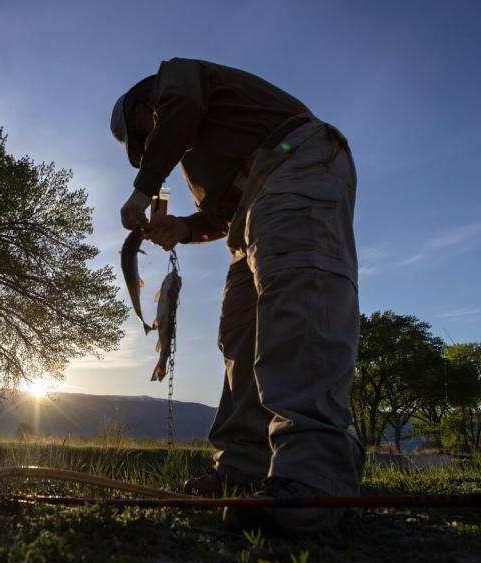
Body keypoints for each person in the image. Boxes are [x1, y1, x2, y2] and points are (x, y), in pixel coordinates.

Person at [110, 58, 364, 536]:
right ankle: (243, 468)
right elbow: (220, 219)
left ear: (147, 102)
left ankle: (314, 476)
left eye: (144, 138)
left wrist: (143, 190)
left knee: (296, 297)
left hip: (296, 162)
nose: (149, 152)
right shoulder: (200, 153)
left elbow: (181, 105)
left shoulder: (177, 78)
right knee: (240, 333)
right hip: (249, 209)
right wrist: (183, 227)